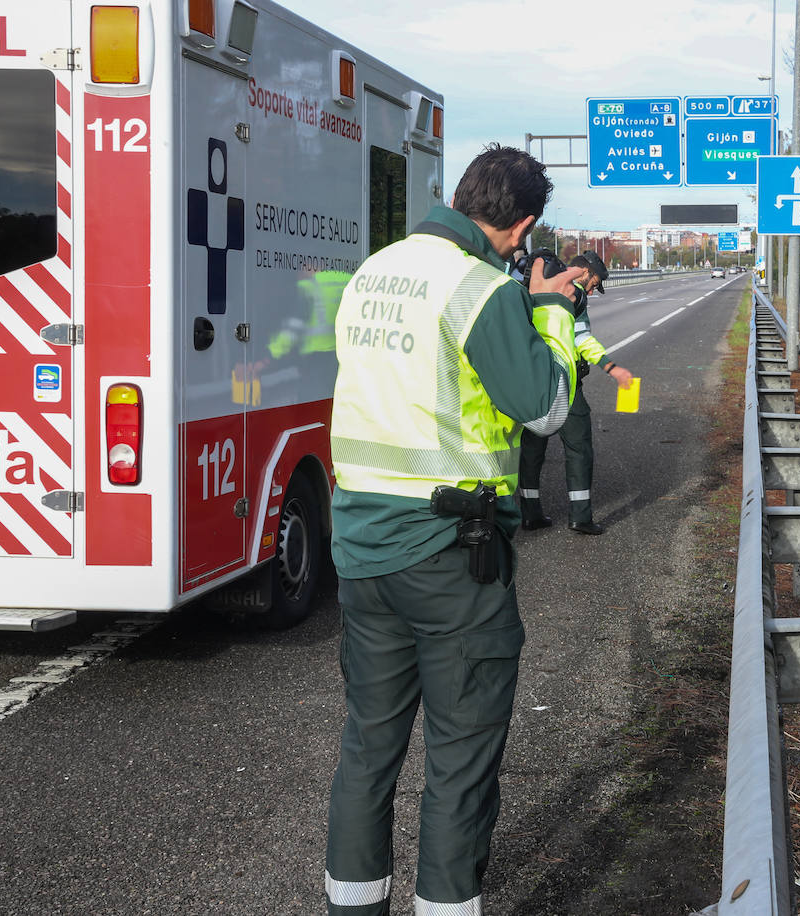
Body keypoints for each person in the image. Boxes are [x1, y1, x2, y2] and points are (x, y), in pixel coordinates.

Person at [324, 144, 586, 916]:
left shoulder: (374, 270)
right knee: (460, 761)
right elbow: (546, 409)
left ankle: (352, 904)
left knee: (368, 747)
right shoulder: (478, 289)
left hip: (361, 550)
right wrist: (555, 315)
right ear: (523, 225)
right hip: (450, 555)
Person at [517, 251, 634, 535]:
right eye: (593, 283)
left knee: (532, 450)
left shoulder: (526, 287)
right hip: (563, 384)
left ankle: (530, 514)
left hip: (532, 382)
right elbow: (581, 339)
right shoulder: (574, 296)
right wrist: (612, 367)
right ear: (583, 274)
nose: (592, 290)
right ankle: (580, 517)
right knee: (579, 449)